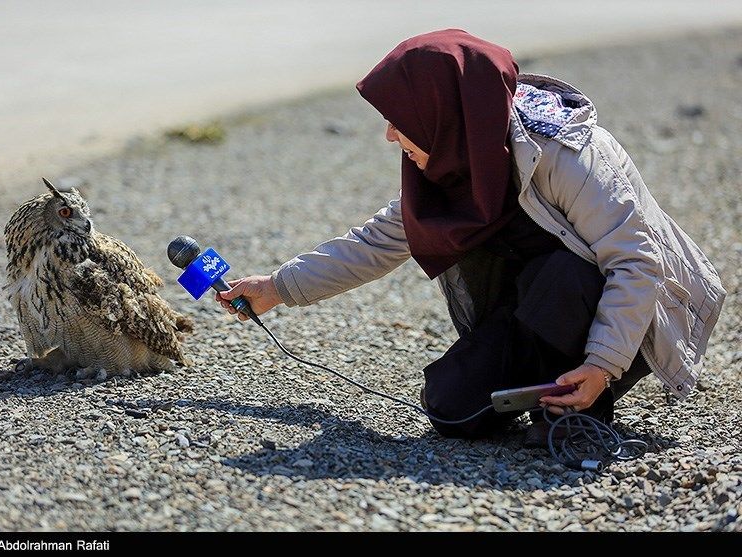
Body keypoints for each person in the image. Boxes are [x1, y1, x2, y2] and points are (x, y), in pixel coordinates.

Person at [215, 29, 726, 446]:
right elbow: (376, 242)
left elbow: (637, 263)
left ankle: (582, 406)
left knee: (564, 274)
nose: (390, 135)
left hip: (623, 322)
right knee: (451, 411)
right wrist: (278, 287)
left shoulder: (569, 153)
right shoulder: (458, 157)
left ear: (443, 114)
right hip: (531, 310)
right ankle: (542, 392)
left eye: (399, 121)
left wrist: (601, 365)